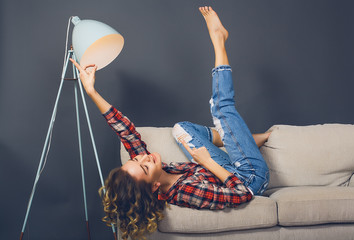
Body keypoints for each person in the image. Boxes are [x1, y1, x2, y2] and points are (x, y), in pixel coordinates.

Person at [70, 6, 270, 240]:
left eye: (137, 158)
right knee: (222, 109)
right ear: (154, 188)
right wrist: (207, 162)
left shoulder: (158, 170)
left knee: (181, 129)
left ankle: (247, 142)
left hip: (228, 169)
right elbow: (242, 194)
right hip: (249, 179)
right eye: (145, 166)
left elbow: (127, 133)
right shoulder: (185, 192)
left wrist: (92, 92)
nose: (145, 157)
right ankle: (219, 40)